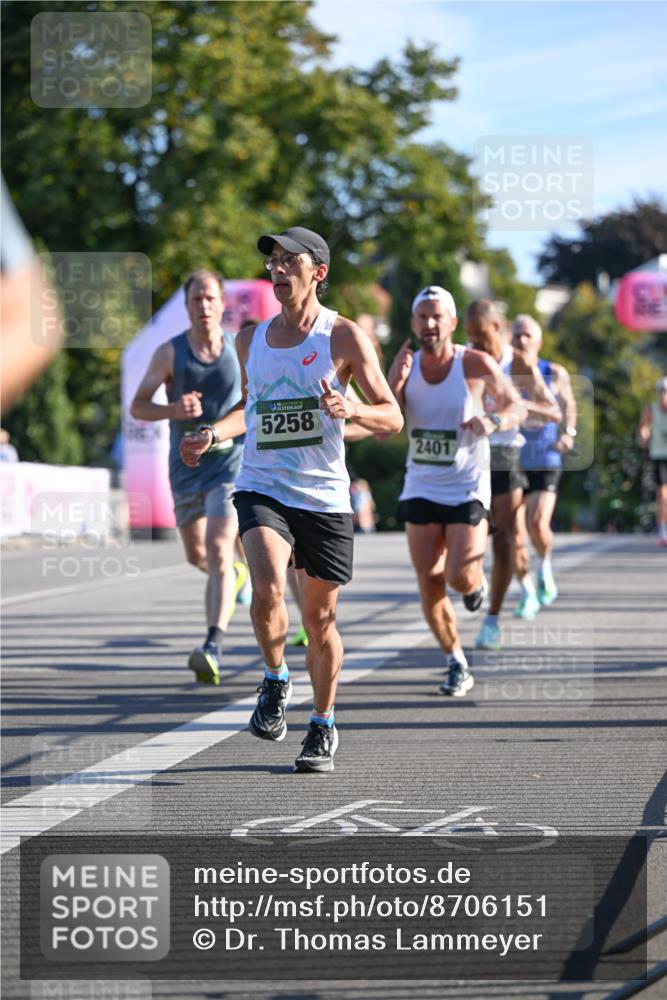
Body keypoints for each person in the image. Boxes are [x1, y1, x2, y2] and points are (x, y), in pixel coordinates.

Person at [181, 226, 403, 772]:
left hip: (323, 495)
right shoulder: (250, 340)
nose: (277, 270)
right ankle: (276, 677)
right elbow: (250, 409)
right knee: (267, 586)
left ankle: (323, 723)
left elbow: (393, 416)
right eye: (273, 262)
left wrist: (352, 409)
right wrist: (212, 434)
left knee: (321, 619)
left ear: (318, 272)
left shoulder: (343, 336)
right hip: (263, 485)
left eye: (290, 261)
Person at [388, 285, 524, 696]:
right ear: (413, 323)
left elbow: (516, 406)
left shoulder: (474, 362)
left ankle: (474, 584)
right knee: (430, 582)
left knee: (459, 577)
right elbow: (385, 427)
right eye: (422, 317)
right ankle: (455, 662)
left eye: (437, 316)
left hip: (466, 485)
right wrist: (395, 378)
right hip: (420, 484)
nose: (429, 324)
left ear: (451, 323)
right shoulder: (405, 364)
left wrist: (493, 421)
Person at [131, 270, 244, 685]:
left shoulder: (239, 349)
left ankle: (212, 645)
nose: (204, 306)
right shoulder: (170, 353)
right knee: (197, 556)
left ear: (222, 303)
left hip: (230, 465)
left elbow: (253, 403)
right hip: (186, 469)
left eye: (211, 298)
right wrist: (173, 410)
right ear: (187, 306)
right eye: (197, 299)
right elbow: (138, 406)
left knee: (218, 547)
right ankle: (236, 575)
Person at [464, 299, 561, 651]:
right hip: (468, 454)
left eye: (481, 333)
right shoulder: (465, 357)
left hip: (505, 453)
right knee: (467, 535)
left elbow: (552, 410)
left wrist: (520, 406)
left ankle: (492, 619)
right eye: (470, 334)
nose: (475, 341)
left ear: (498, 328)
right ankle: (473, 579)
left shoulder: (517, 362)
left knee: (506, 538)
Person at [510, 314, 578, 617]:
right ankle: (526, 592)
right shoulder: (502, 371)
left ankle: (545, 566)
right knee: (513, 535)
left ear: (538, 341)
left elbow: (568, 406)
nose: (522, 340)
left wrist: (568, 434)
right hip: (512, 460)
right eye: (517, 335)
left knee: (537, 523)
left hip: (546, 456)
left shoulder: (554, 372)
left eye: (528, 335)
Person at [638, 376, 667, 547]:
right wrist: (644, 436)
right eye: (661, 392)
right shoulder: (651, 410)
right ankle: (663, 532)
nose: (663, 395)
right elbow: (644, 427)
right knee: (662, 495)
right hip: (659, 455)